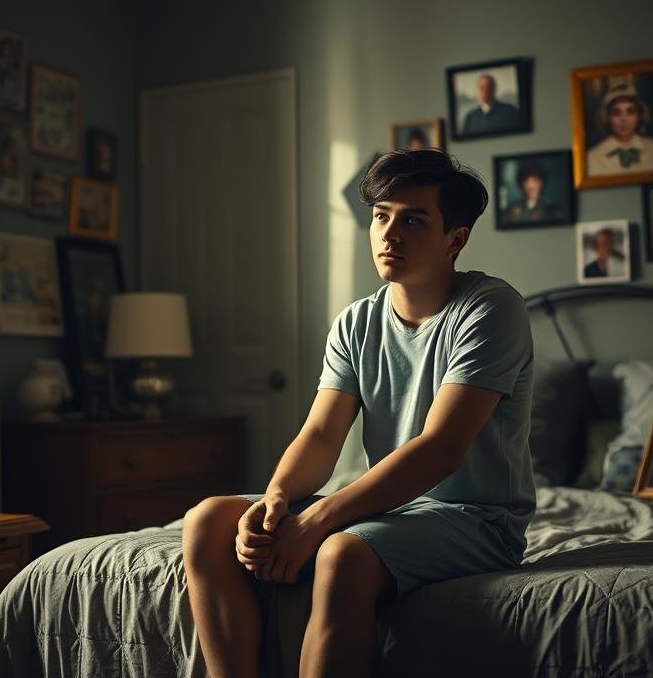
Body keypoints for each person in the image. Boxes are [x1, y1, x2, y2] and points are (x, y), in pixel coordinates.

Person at [182, 150, 534, 678]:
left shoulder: (490, 309)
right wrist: (278, 499)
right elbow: (321, 434)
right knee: (207, 520)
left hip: (477, 521)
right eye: (381, 215)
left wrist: (318, 520)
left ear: (455, 239)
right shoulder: (356, 322)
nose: (389, 233)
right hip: (390, 511)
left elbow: (440, 449)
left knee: (342, 555)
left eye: (413, 219)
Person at [586, 81, 653, 176]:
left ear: (640, 115)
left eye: (631, 112)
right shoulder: (592, 157)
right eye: (616, 113)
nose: (624, 119)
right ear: (606, 117)